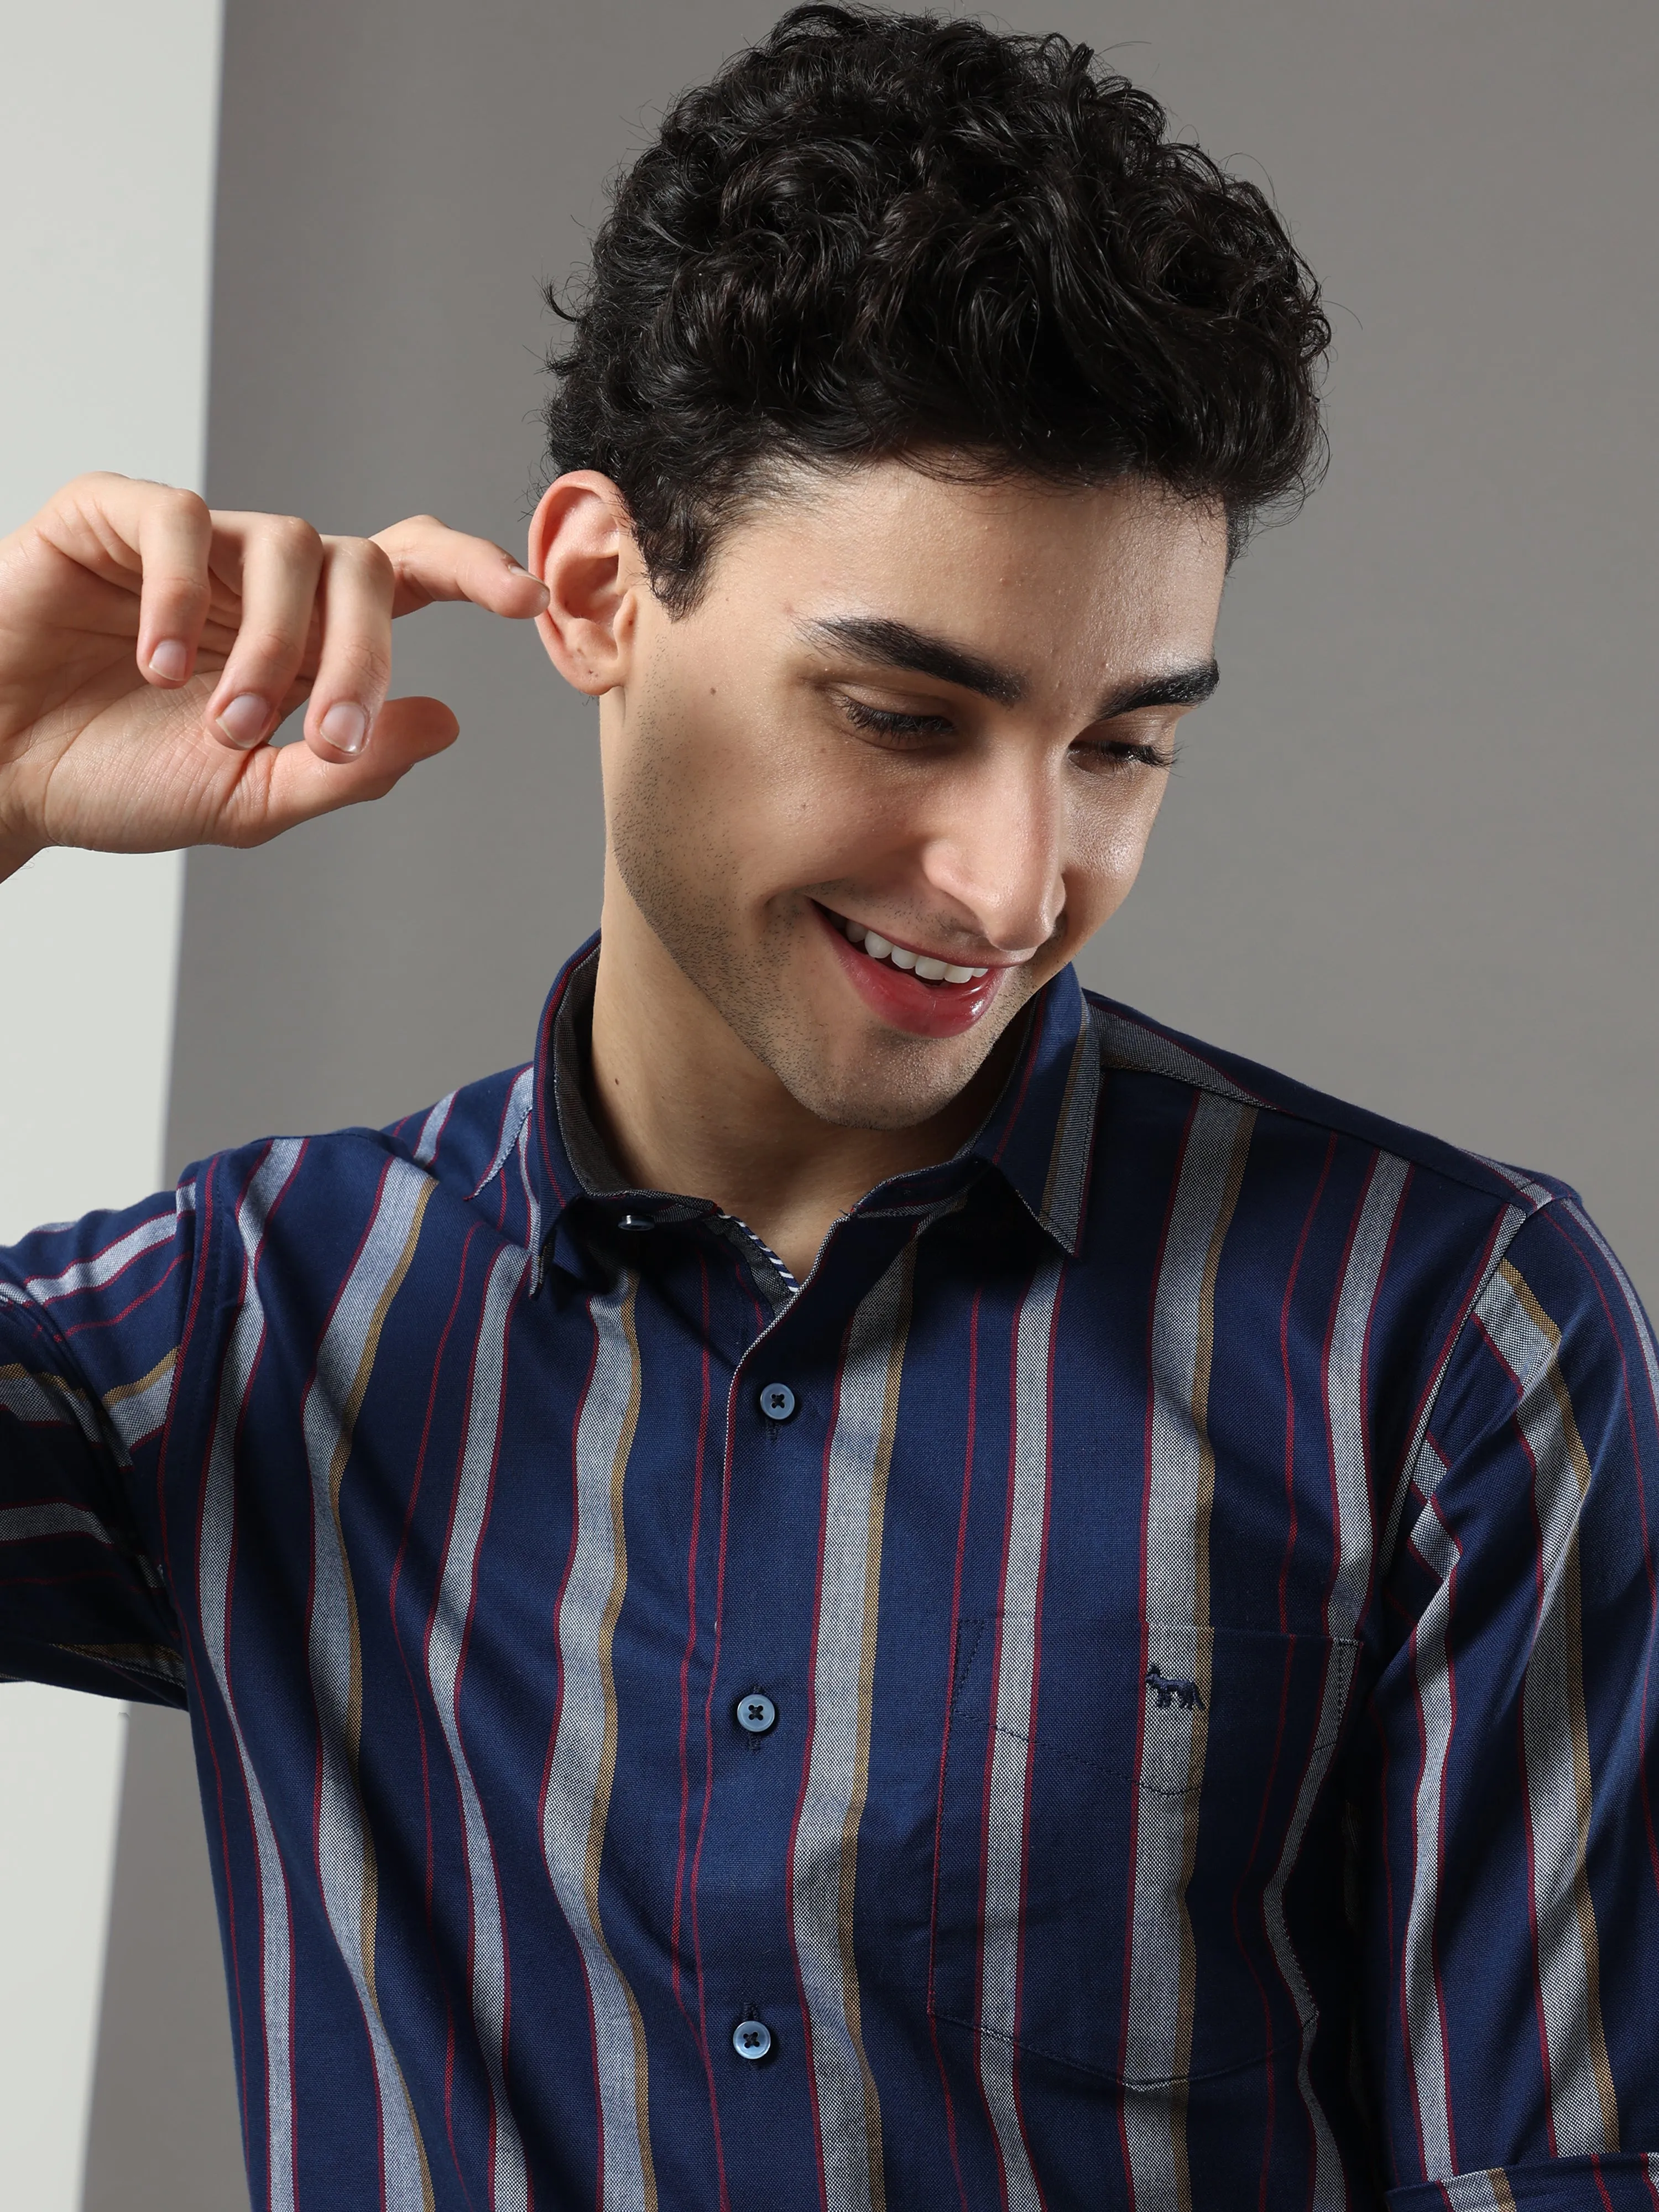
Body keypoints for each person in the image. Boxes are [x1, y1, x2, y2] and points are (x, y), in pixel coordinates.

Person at [2, 6, 1655, 2206]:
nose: (1016, 877)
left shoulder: (1437, 1337)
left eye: (1127, 745)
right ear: (600, 590)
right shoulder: (239, 1326)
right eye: (900, 712)